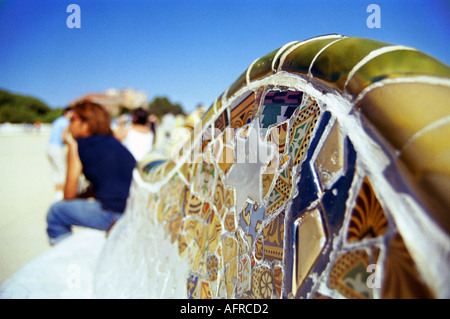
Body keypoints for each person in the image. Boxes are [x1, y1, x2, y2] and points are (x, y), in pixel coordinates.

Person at [46, 101, 136, 245]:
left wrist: (79, 196)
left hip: (114, 215)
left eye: (73, 119)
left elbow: (68, 196)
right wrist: (87, 194)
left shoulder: (77, 146)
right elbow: (114, 181)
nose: (69, 125)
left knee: (56, 212)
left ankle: (65, 257)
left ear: (86, 123)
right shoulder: (115, 143)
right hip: (134, 211)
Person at [46, 106, 73, 201]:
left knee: (54, 170)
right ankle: (62, 193)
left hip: (49, 147)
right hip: (57, 148)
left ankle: (57, 193)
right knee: (62, 170)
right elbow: (64, 137)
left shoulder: (58, 120)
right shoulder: (66, 122)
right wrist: (72, 144)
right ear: (68, 113)